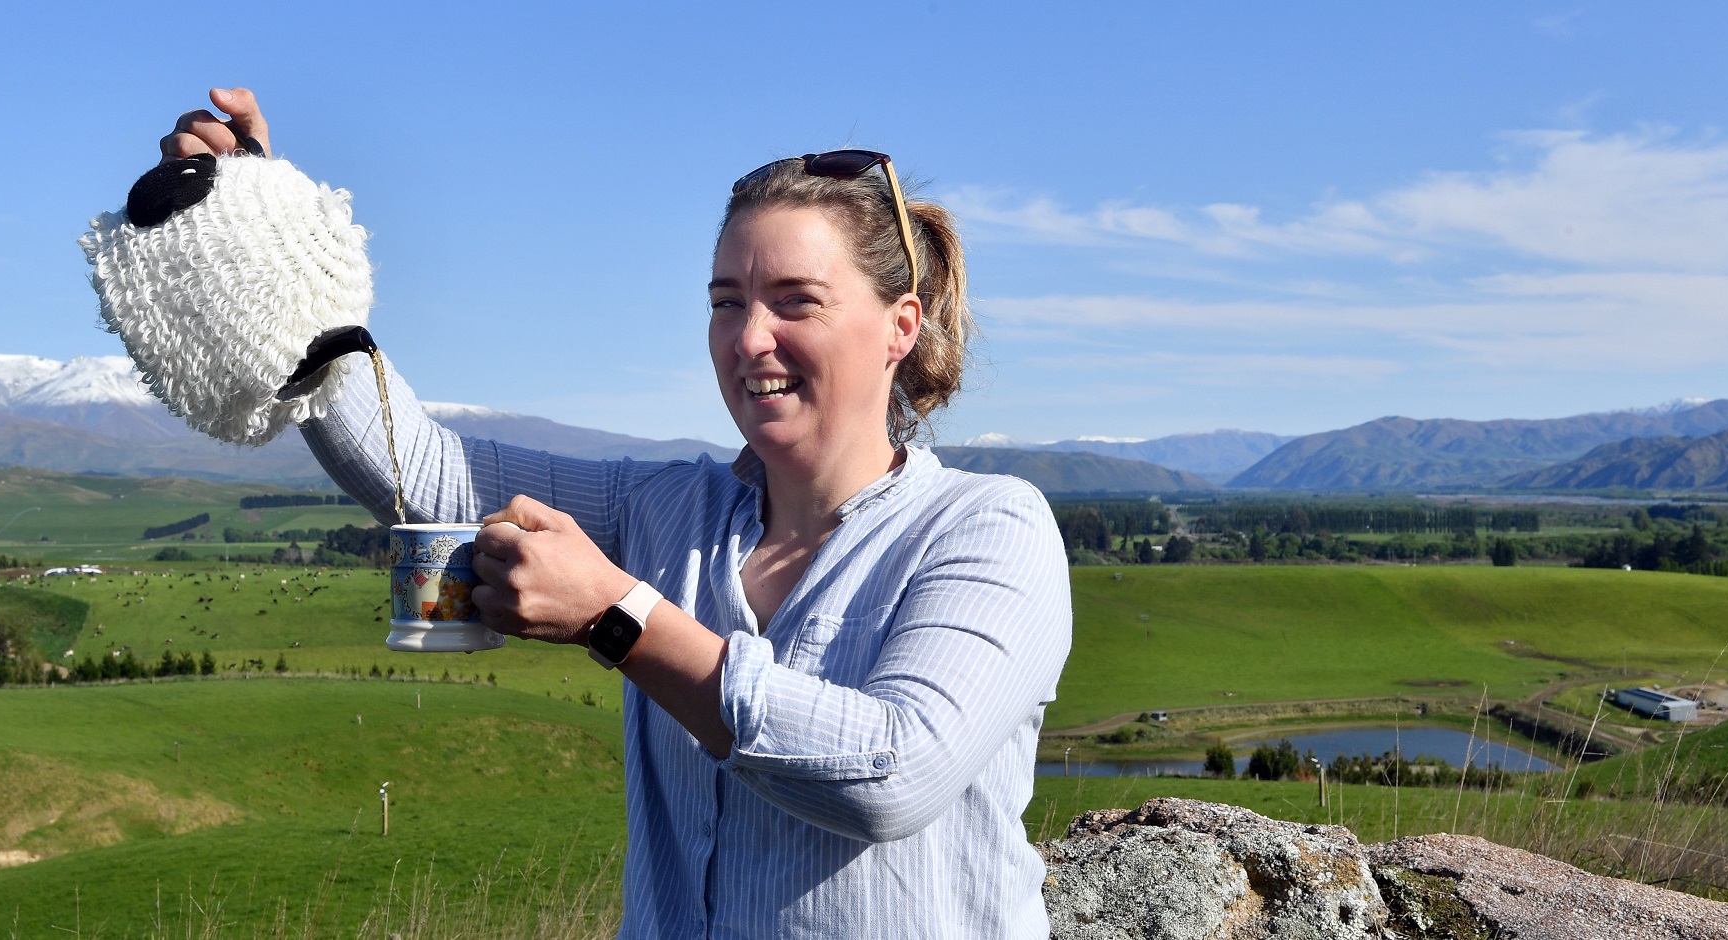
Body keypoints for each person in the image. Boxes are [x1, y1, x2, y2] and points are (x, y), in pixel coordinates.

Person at [160, 88, 1072, 938]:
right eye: (727, 304)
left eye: (795, 302)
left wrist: (615, 617)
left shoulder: (986, 528)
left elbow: (894, 774)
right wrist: (266, 244)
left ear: (900, 327)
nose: (751, 337)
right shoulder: (669, 510)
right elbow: (427, 470)